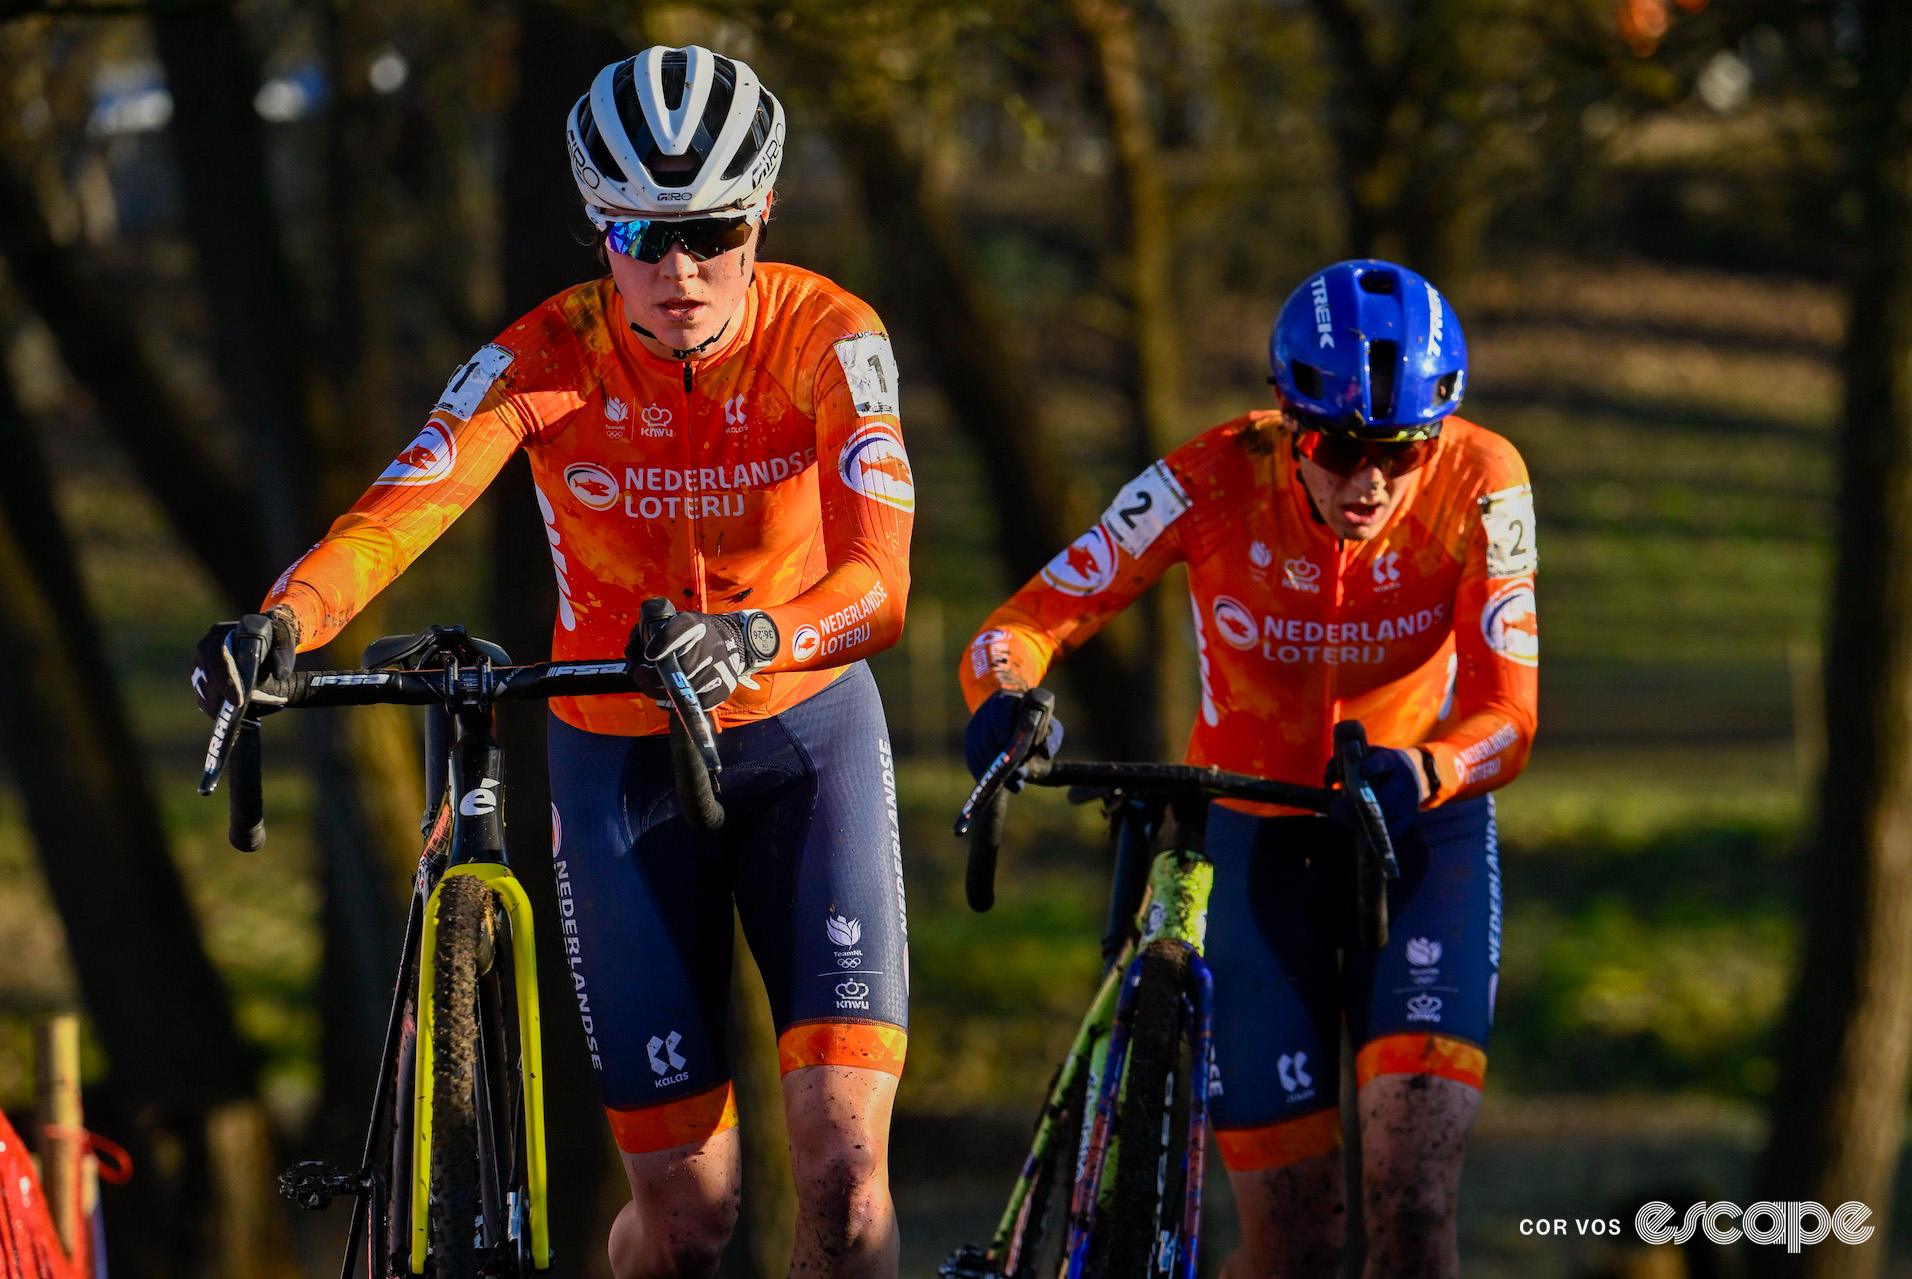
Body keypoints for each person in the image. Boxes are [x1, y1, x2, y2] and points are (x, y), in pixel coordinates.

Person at [193, 45, 913, 1279]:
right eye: (642, 234)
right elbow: (401, 507)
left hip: (805, 743)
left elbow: (882, 587)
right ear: (597, 226)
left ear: (764, 214)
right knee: (687, 1215)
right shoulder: (546, 354)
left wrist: (754, 636)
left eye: (715, 228)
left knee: (844, 1187)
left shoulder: (829, 335)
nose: (681, 268)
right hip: (617, 766)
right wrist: (286, 621)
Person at [959, 260, 1536, 1278]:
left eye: (1402, 452)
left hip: (1416, 830)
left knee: (1412, 1215)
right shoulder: (1214, 474)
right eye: (1341, 446)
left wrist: (1425, 769)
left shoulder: (1485, 481)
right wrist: (1005, 705)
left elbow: (1510, 715)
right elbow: (1023, 624)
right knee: (1295, 1244)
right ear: (1287, 417)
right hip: (1251, 836)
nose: (1371, 482)